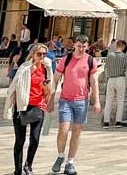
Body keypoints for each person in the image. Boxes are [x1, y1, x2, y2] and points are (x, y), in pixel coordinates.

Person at [51, 35, 101, 175]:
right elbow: (55, 79)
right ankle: (60, 156)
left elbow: (94, 82)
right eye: (79, 46)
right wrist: (50, 99)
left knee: (77, 131)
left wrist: (97, 101)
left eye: (84, 47)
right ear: (74, 45)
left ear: (87, 46)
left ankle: (70, 162)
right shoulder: (66, 60)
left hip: (81, 101)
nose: (81, 49)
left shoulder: (90, 61)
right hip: (65, 99)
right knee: (64, 129)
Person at [4, 42, 53, 175]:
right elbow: (14, 86)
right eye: (39, 54)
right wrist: (9, 107)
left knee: (35, 139)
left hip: (39, 105)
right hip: (23, 106)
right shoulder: (25, 68)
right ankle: (17, 169)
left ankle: (28, 165)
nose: (42, 56)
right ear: (33, 54)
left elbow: (49, 91)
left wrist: (46, 88)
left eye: (44, 54)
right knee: (20, 140)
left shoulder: (46, 68)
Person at [102, 39, 127, 128]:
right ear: (123, 46)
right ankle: (118, 122)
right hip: (120, 78)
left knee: (108, 100)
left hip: (111, 79)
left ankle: (106, 122)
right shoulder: (124, 56)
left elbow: (106, 68)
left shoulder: (110, 55)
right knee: (120, 100)